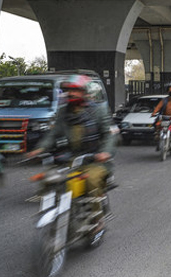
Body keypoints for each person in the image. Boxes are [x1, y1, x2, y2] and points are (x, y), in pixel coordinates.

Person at [27, 75, 117, 219]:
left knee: (91, 181)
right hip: (72, 159)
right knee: (51, 178)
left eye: (75, 91)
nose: (71, 94)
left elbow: (110, 135)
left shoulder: (99, 110)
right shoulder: (63, 112)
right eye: (68, 90)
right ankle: (53, 210)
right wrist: (40, 149)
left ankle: (97, 219)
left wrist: (105, 152)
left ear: (85, 93)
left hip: (94, 160)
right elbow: (53, 133)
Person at [151, 85, 171, 149]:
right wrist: (154, 113)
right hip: (164, 118)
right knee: (157, 124)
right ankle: (158, 140)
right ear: (168, 92)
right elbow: (158, 107)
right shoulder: (164, 100)